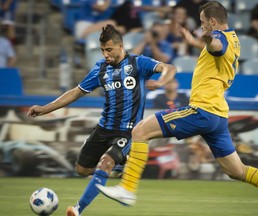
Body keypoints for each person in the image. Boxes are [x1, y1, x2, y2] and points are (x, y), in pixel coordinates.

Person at [96, 1, 258, 208]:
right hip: (218, 116)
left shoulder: (219, 38)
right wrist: (199, 40)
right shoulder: (234, 39)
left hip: (202, 110)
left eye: (203, 22)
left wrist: (203, 37)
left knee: (141, 131)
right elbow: (215, 47)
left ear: (213, 21)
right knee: (237, 171)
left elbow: (216, 45)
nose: (201, 25)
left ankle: (127, 189)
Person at [27, 24, 176, 216]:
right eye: (102, 50)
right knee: (81, 170)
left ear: (121, 46)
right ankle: (116, 168)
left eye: (109, 49)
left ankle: (78, 209)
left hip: (127, 131)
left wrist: (161, 82)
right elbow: (75, 93)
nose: (105, 54)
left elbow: (169, 67)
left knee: (105, 163)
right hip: (104, 128)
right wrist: (44, 109)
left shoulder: (138, 63)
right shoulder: (100, 68)